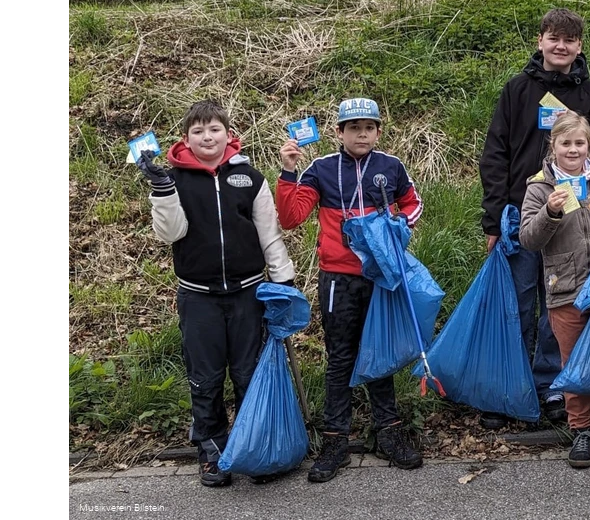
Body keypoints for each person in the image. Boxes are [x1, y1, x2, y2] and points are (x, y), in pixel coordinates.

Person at [136, 99, 295, 488]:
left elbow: (269, 235)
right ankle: (212, 452)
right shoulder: (173, 178)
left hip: (248, 294)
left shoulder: (250, 178)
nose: (207, 137)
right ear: (186, 139)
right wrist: (162, 190)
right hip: (198, 297)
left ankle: (254, 449)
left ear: (228, 134)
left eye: (214, 129)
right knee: (205, 379)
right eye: (198, 131)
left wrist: (284, 281)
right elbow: (170, 234)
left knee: (248, 374)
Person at [479, 8, 590, 428]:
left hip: (572, 222)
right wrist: (492, 218)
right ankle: (510, 389)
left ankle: (553, 387)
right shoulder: (518, 89)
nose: (561, 46)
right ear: (540, 41)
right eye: (553, 38)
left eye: (570, 40)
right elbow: (495, 154)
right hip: (522, 218)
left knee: (556, 309)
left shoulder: (589, 93)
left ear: (579, 47)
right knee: (518, 306)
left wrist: (578, 146)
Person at [276, 97, 425, 482]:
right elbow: (291, 218)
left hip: (379, 276)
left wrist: (399, 228)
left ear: (378, 132)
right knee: (340, 357)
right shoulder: (321, 169)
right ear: (338, 132)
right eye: (354, 127)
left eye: (369, 127)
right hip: (337, 278)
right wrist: (288, 171)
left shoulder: (391, 167)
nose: (362, 134)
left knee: (379, 351)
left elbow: (413, 204)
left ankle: (388, 432)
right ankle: (335, 439)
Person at [518, 112, 590, 469]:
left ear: (589, 146)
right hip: (564, 289)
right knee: (574, 364)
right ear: (553, 146)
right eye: (565, 143)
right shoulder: (539, 187)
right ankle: (581, 429)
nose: (572, 149)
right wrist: (549, 213)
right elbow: (528, 239)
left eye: (579, 143)